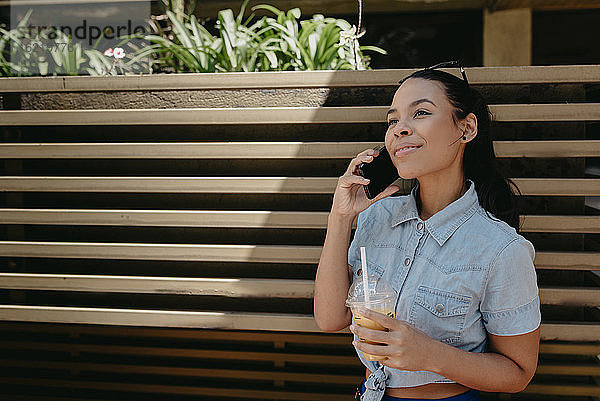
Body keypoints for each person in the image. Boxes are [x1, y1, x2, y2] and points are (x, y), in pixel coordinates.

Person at [313, 61, 541, 401]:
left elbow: (518, 373)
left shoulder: (501, 249)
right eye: (393, 120)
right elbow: (331, 318)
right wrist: (340, 217)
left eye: (420, 113)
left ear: (466, 129)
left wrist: (431, 355)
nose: (399, 129)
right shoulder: (377, 216)